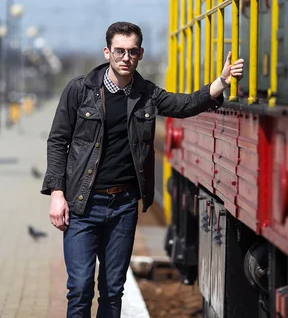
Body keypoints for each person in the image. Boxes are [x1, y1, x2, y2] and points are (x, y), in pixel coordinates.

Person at [41, 21, 244, 317]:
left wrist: (221, 82)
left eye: (132, 52)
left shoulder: (146, 93)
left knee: (113, 289)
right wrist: (57, 194)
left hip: (122, 206)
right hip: (82, 205)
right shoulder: (79, 90)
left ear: (140, 54)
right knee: (81, 287)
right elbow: (57, 142)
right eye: (119, 51)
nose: (125, 57)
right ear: (107, 52)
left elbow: (182, 104)